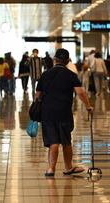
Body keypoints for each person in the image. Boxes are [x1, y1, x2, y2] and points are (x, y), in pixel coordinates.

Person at [35, 48, 93, 177]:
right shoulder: (71, 75)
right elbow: (80, 93)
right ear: (67, 61)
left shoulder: (45, 75)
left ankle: (51, 169)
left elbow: (37, 95)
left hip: (48, 113)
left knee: (53, 141)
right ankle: (68, 167)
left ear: (55, 60)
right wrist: (88, 106)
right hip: (64, 112)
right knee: (66, 141)